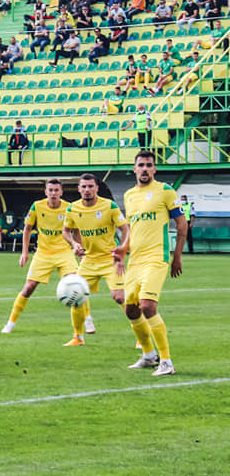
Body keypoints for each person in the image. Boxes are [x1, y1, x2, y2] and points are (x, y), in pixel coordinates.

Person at [114, 151, 187, 376]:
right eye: (141, 165)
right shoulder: (128, 195)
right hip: (135, 260)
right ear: (134, 169)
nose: (145, 169)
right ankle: (149, 355)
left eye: (149, 165)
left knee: (147, 306)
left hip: (157, 257)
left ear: (154, 169)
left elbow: (182, 225)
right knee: (131, 309)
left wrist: (177, 256)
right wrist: (122, 250)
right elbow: (131, 229)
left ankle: (167, 362)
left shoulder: (165, 191)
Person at [61, 174, 130, 346]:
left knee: (120, 297)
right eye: (83, 187)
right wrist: (74, 243)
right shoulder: (72, 209)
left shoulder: (109, 206)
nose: (87, 190)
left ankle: (140, 333)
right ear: (79, 189)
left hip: (110, 259)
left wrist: (122, 249)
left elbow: (125, 228)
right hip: (88, 260)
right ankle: (78, 337)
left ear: (96, 188)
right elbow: (66, 231)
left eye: (90, 186)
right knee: (75, 296)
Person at [1, 179, 75, 334]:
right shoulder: (37, 206)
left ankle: (87, 321)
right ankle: (10, 323)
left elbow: (77, 230)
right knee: (28, 288)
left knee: (74, 285)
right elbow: (27, 229)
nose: (53, 193)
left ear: (61, 192)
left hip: (64, 252)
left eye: (56, 190)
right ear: (46, 192)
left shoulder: (69, 208)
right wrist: (25, 252)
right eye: (51, 190)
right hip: (43, 253)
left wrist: (78, 248)